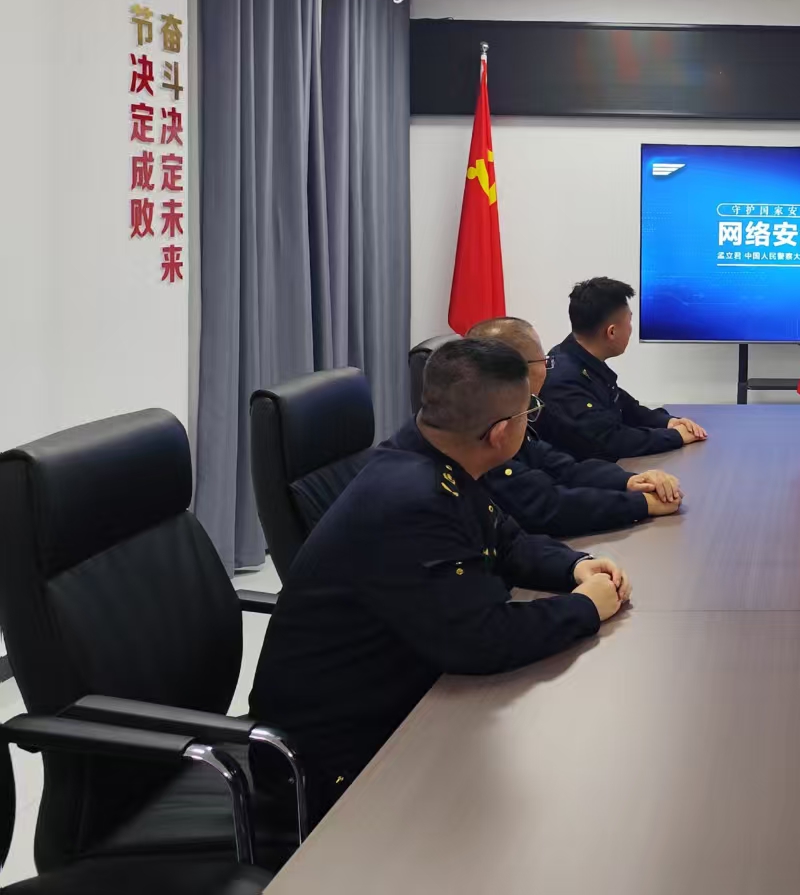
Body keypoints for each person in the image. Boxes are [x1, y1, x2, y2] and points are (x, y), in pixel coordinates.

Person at [250, 337, 631, 821]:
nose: (532, 420)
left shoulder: (431, 453)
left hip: (400, 695)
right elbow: (482, 640)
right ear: (500, 433)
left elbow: (506, 539)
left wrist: (574, 566)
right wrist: (585, 607)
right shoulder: (414, 501)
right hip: (335, 762)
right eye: (529, 412)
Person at [466, 315, 684, 535]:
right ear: (516, 369)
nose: (548, 367)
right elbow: (547, 507)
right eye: (544, 361)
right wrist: (641, 504)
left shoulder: (500, 412)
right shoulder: (485, 433)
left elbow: (565, 469)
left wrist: (631, 481)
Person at [537, 276, 707, 461]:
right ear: (612, 332)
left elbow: (623, 406)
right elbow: (610, 441)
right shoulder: (563, 380)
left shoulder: (580, 358)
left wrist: (668, 422)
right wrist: (676, 436)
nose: (630, 329)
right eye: (629, 321)